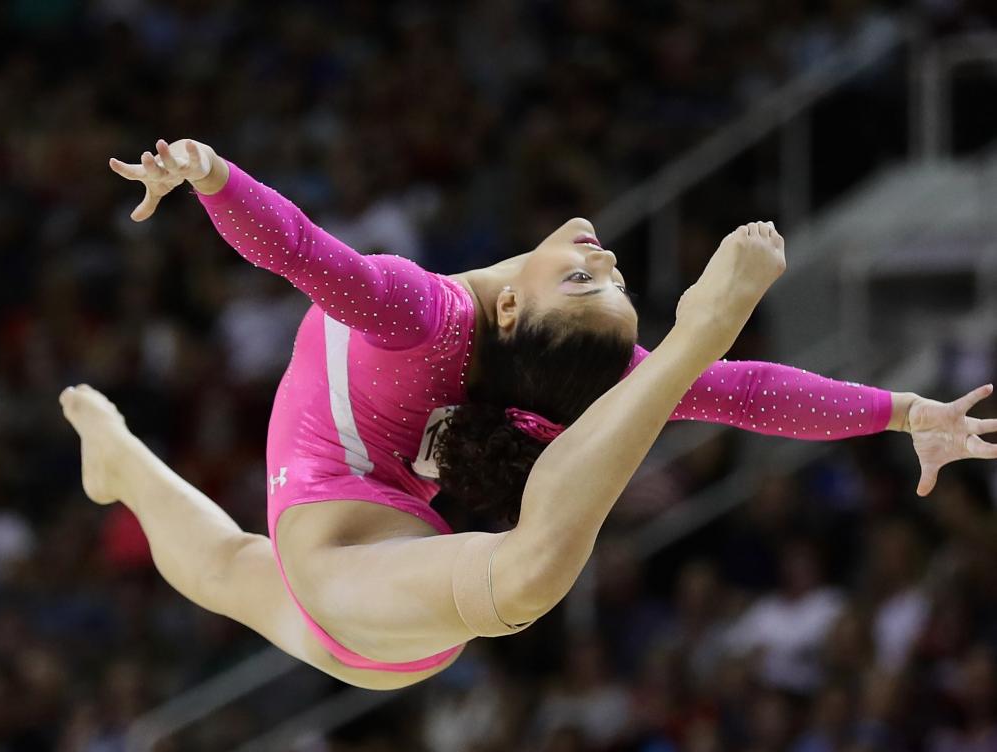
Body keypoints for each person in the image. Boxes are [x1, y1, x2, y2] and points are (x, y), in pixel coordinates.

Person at [59, 139, 997, 690]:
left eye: (591, 283)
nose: (606, 258)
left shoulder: (416, 313)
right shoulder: (560, 364)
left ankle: (690, 336)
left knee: (502, 573)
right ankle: (122, 463)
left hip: (362, 576)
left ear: (512, 309)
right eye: (610, 281)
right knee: (226, 565)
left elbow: (302, 251)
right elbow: (750, 395)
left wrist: (212, 177)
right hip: (367, 582)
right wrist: (906, 411)